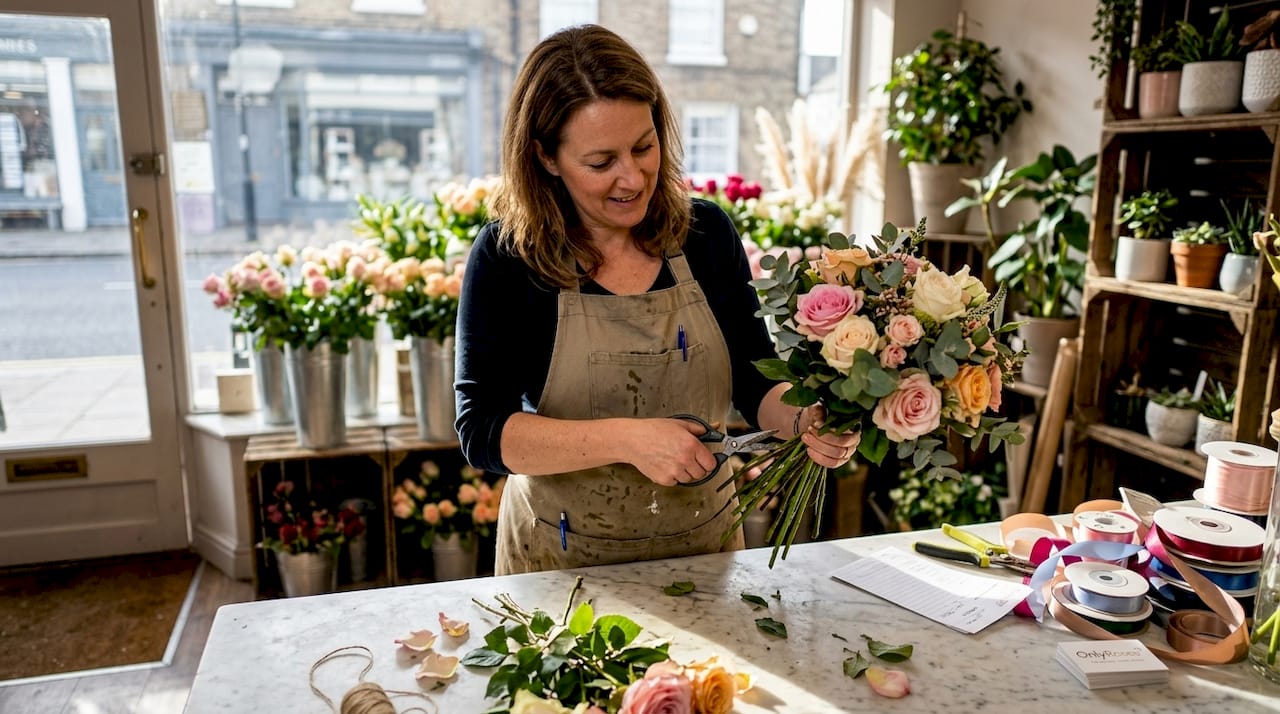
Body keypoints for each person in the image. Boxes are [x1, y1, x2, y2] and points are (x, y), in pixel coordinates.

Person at [454, 24, 860, 575]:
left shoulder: (706, 235)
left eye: (644, 147)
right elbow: (483, 431)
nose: (632, 177)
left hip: (704, 554)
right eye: (601, 162)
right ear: (546, 158)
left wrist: (808, 419)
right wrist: (629, 439)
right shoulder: (510, 256)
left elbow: (753, 379)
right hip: (558, 563)